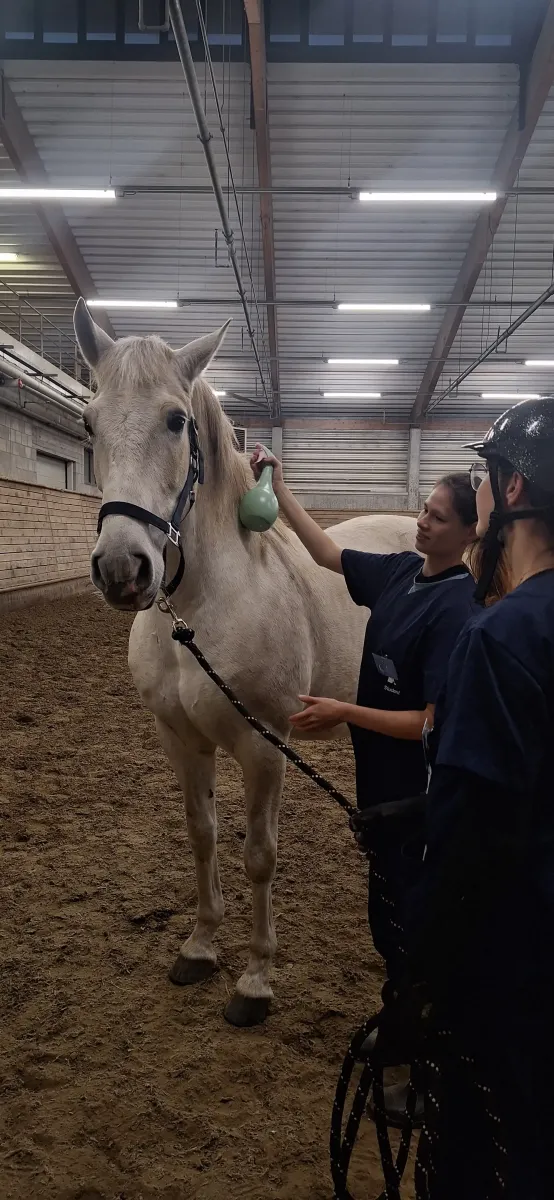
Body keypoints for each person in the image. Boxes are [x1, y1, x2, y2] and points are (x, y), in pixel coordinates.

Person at [250, 446, 479, 1119]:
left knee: (412, 915)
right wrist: (281, 489)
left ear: (469, 534)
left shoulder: (457, 609)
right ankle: (401, 1018)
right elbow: (325, 552)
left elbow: (430, 722)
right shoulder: (403, 573)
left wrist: (346, 711)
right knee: (387, 911)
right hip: (379, 778)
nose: (423, 522)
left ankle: (422, 1056)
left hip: (416, 785)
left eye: (439, 517)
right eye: (424, 510)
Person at [377, 396, 554, 1198]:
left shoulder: (501, 637)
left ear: (512, 489)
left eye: (484, 477)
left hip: (514, 965)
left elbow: (468, 844)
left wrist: (421, 976)